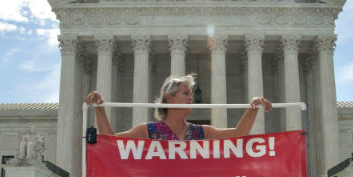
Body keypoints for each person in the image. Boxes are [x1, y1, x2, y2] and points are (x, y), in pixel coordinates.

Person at [85, 74, 272, 140]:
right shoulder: (147, 131)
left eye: (191, 93)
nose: (192, 97)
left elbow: (238, 134)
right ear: (170, 98)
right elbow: (110, 143)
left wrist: (253, 107)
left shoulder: (200, 132)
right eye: (186, 93)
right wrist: (99, 108)